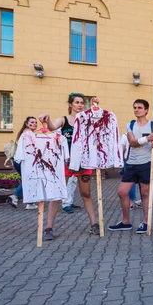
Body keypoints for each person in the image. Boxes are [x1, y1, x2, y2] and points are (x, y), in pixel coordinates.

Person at [38, 93, 99, 239]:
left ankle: (94, 224)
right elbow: (52, 127)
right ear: (70, 104)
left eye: (82, 103)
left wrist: (96, 107)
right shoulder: (64, 120)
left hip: (83, 163)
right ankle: (48, 228)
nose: (80, 105)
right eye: (77, 102)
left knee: (86, 194)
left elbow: (98, 127)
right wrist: (47, 119)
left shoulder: (86, 120)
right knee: (57, 195)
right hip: (65, 163)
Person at [108, 99, 153, 234]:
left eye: (139, 107)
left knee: (145, 193)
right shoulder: (130, 125)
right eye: (135, 107)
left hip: (146, 163)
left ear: (146, 110)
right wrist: (147, 139)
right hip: (132, 163)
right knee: (122, 191)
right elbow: (132, 143)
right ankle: (125, 222)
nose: (136, 110)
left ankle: (145, 222)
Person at [8, 116, 39, 210]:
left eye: (35, 122)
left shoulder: (25, 133)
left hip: (19, 161)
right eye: (32, 122)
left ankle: (30, 202)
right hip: (24, 161)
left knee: (29, 180)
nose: (34, 124)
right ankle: (15, 196)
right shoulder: (28, 134)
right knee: (28, 180)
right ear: (26, 124)